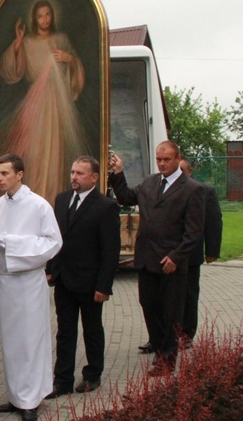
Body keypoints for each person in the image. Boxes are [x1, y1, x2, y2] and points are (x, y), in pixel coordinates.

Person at [109, 141, 204, 375]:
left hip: (172, 264)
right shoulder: (150, 182)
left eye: (167, 160)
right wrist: (118, 173)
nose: (162, 163)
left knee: (171, 313)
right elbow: (126, 198)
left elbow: (194, 232)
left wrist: (176, 257)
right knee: (149, 305)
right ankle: (161, 348)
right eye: (159, 159)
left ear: (177, 158)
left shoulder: (191, 189)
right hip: (147, 259)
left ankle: (167, 360)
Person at [0, 153, 61, 421]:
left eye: (5, 173)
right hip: (6, 282)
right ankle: (16, 395)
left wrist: (13, 243)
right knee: (10, 342)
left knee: (30, 340)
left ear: (20, 174)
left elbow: (53, 243)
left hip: (29, 281)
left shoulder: (38, 206)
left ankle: (31, 400)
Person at [0, 0, 88, 205]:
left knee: (54, 150)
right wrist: (19, 42)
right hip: (35, 103)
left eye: (48, 15)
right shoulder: (28, 42)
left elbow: (76, 69)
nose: (44, 20)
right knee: (36, 151)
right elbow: (12, 72)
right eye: (40, 16)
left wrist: (70, 59)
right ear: (34, 18)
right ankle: (35, 198)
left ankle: (53, 197)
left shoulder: (61, 39)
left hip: (57, 102)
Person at [45, 156, 120, 398]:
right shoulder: (62, 199)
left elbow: (110, 250)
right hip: (64, 279)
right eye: (72, 172)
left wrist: (104, 286)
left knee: (92, 330)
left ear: (94, 178)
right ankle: (62, 379)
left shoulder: (105, 206)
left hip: (90, 283)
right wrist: (51, 269)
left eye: (79, 173)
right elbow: (57, 238)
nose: (73, 177)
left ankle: (92, 375)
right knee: (65, 331)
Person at [179, 156, 222, 342]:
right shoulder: (162, 189)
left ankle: (187, 333)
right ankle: (160, 336)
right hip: (165, 252)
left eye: (182, 171)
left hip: (191, 254)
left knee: (188, 294)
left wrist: (211, 251)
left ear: (190, 172)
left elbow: (213, 222)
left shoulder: (205, 191)